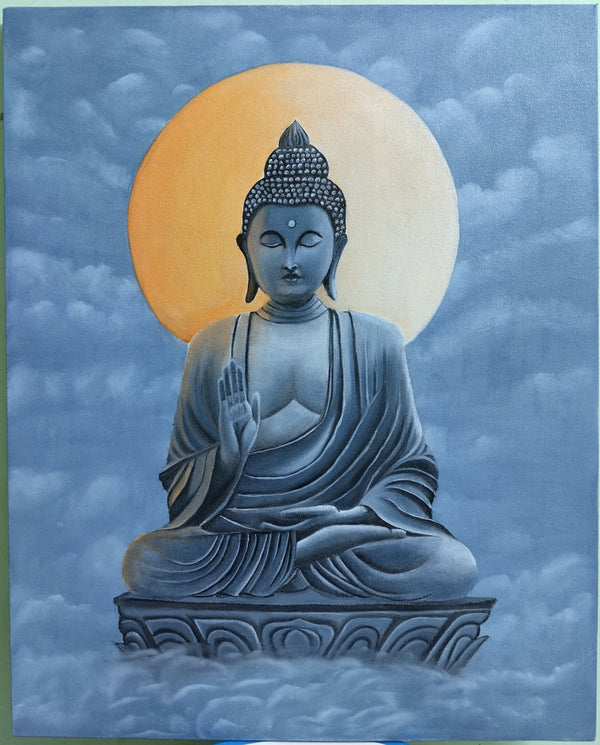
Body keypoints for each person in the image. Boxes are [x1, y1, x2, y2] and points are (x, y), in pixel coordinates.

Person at [122, 122, 477, 601]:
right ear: (245, 248)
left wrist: (349, 517)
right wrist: (227, 457)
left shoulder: (376, 342)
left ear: (338, 248)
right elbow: (180, 493)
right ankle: (302, 555)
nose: (290, 260)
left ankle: (302, 555)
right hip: (243, 536)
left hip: (345, 535)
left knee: (453, 564)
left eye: (308, 241)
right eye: (272, 241)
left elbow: (410, 468)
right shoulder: (212, 345)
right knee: (144, 560)